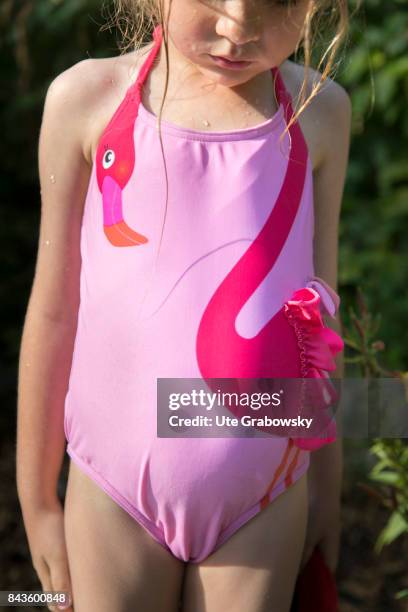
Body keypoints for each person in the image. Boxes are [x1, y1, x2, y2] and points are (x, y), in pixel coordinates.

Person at [16, 0, 352, 610]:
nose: (236, 27)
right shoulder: (86, 100)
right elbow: (55, 309)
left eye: (276, 3)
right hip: (113, 492)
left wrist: (327, 483)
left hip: (265, 496)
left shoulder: (320, 112)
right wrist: (37, 499)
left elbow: (317, 308)